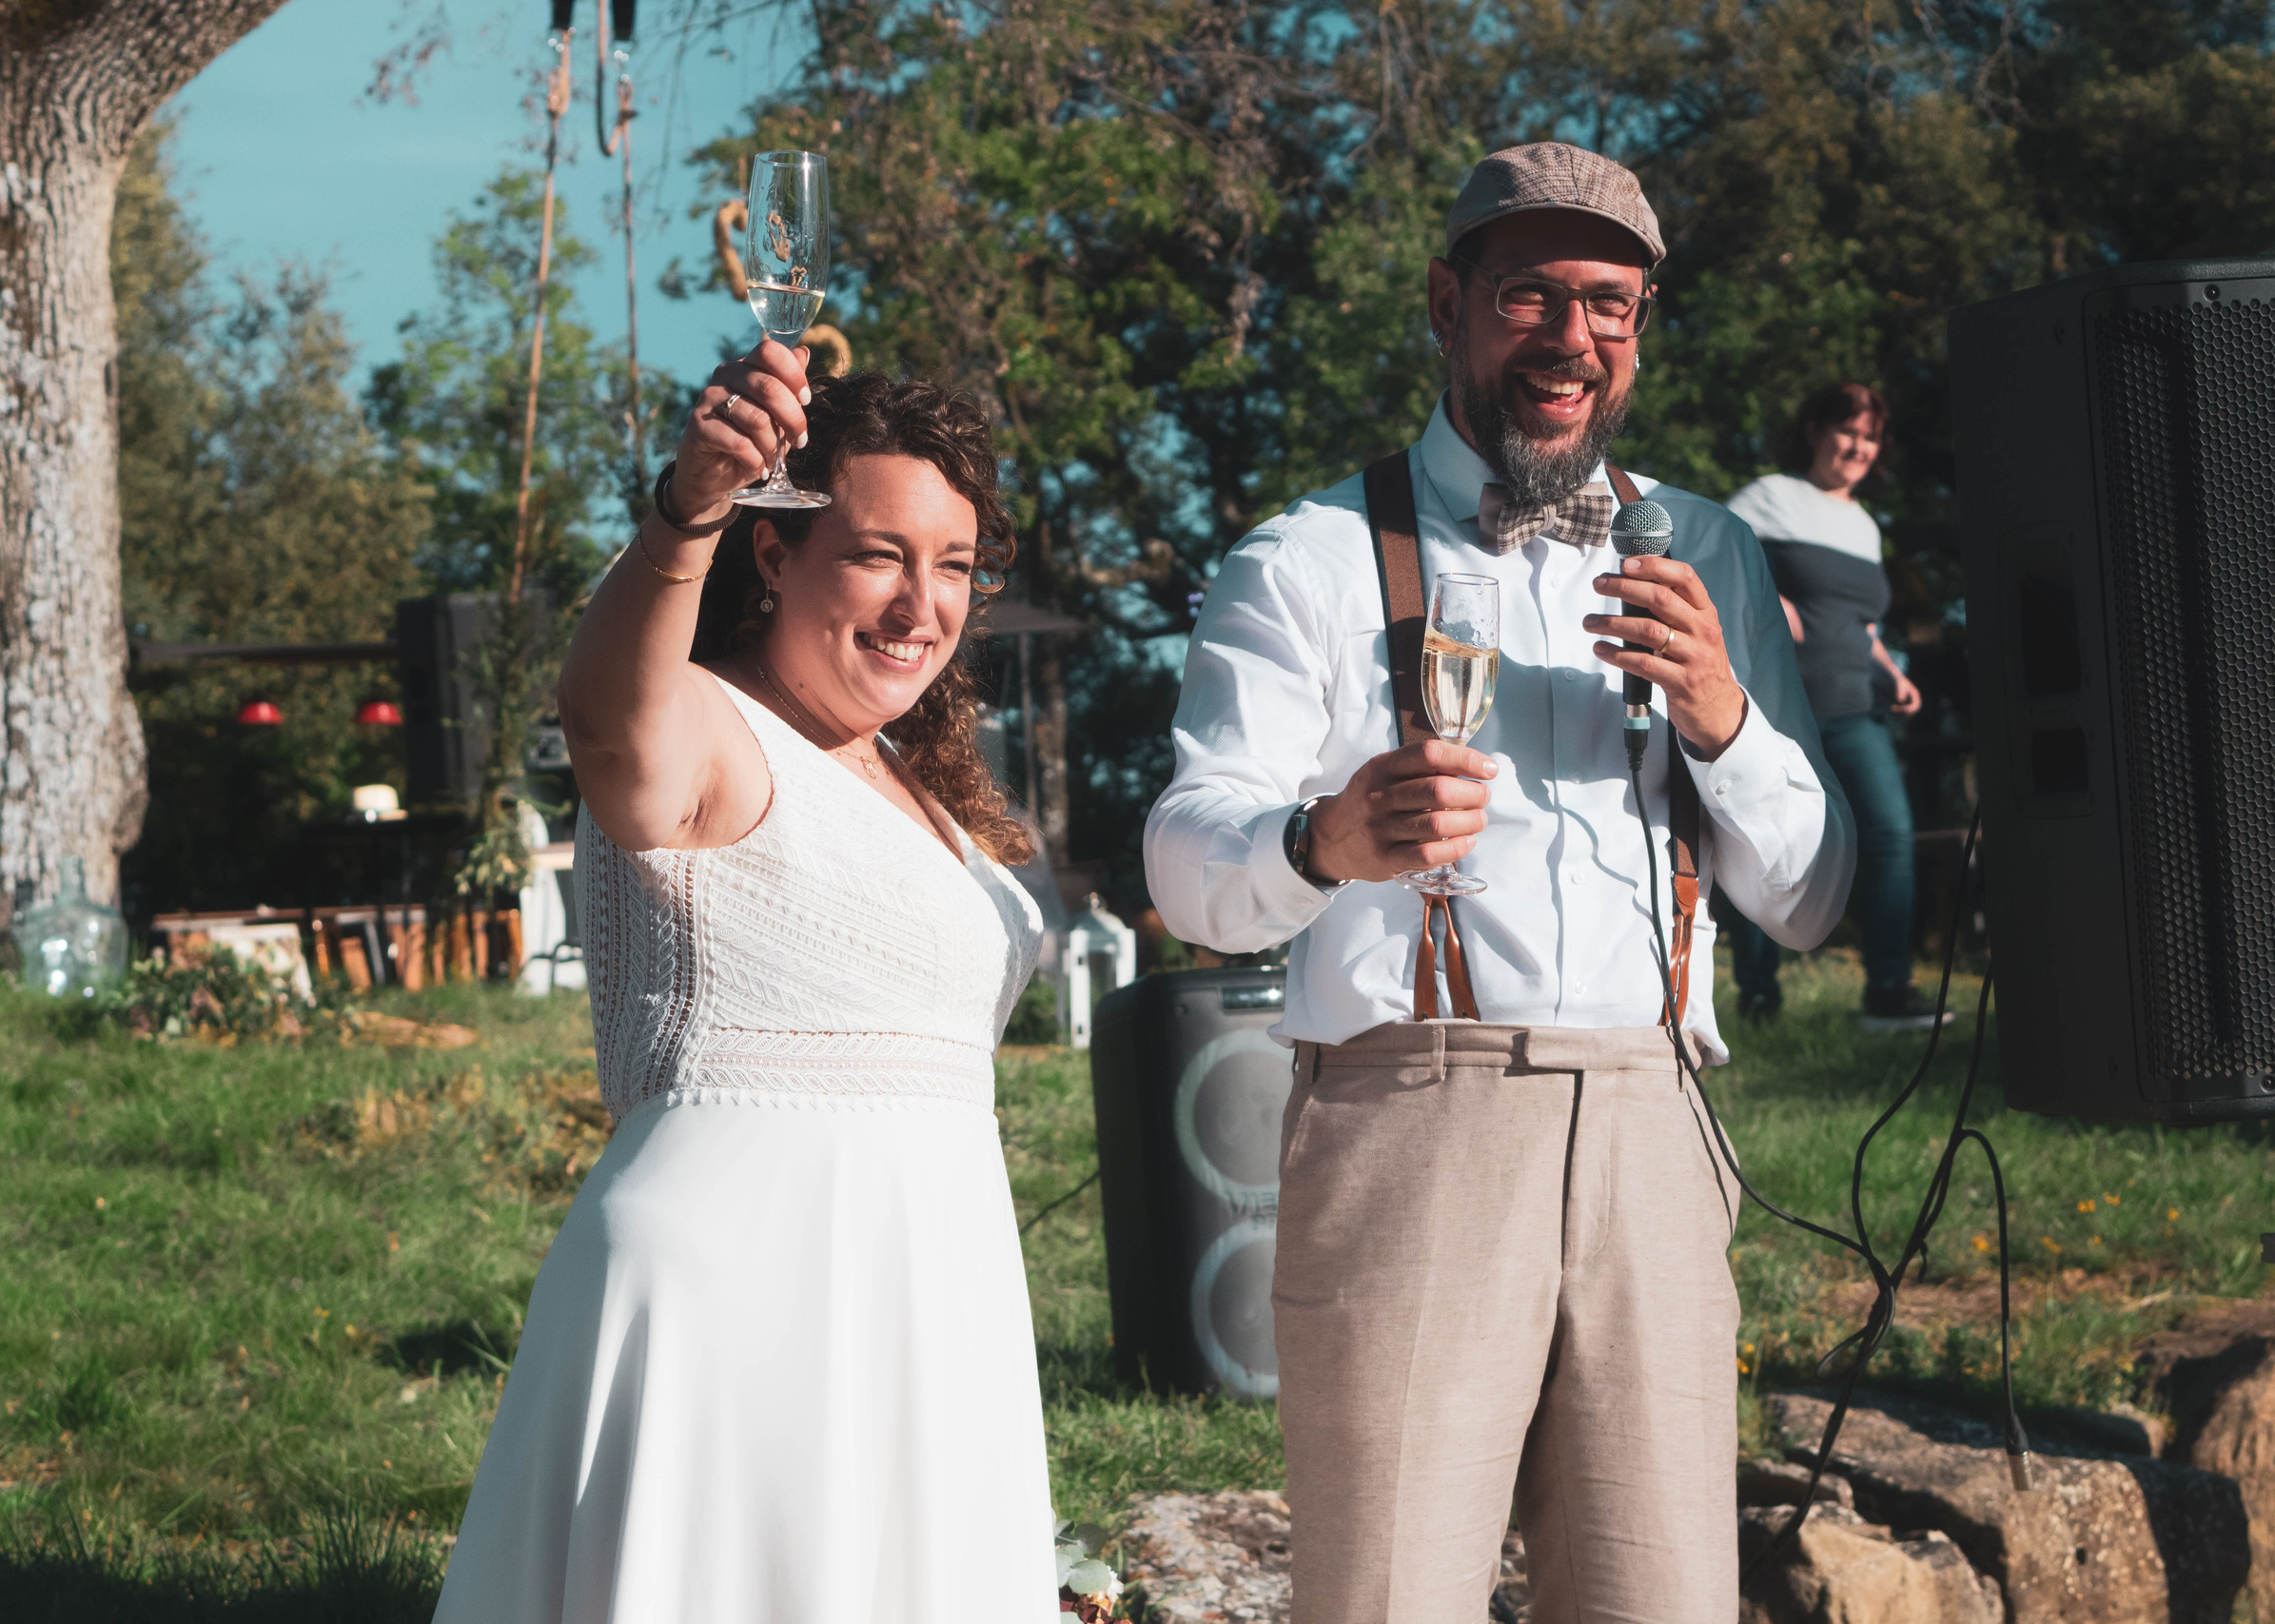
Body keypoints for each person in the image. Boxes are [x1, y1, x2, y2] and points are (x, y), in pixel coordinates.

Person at [1145, 144, 1856, 1623]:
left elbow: (1812, 895)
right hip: (1415, 1118)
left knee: (1659, 1597)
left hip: (1656, 1118)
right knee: (1390, 1593)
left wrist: (1727, 716)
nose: (1572, 338)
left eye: (1609, 303)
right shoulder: (1312, 558)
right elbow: (1183, 854)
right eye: (1531, 294)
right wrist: (1321, 840)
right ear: (1448, 302)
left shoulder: (1712, 549)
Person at [431, 357, 1060, 1622]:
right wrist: (686, 510)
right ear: (773, 555)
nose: (918, 602)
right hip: (747, 1292)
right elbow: (612, 729)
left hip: (923, 1295)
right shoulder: (714, 722)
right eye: (877, 554)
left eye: (952, 563)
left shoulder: (909, 777)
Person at [1720, 383, 1943, 1030]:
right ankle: (1759, 995)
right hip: (1780, 709)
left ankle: (1888, 992)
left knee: (1890, 836)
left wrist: (1892, 673)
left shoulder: (1866, 526)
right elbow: (1714, 556)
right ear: (1815, 430)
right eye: (1847, 431)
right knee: (1766, 844)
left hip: (1853, 705)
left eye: (1870, 437)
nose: (1857, 447)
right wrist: (1766, 594)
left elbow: (1861, 625)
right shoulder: (1770, 497)